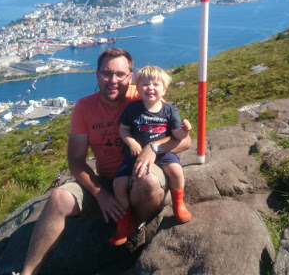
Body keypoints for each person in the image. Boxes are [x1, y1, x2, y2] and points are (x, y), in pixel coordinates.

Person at [20, 48, 191, 275]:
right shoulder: (84, 107)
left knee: (146, 180)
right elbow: (76, 160)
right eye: (106, 73)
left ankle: (135, 226)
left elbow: (185, 141)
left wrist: (153, 147)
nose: (113, 80)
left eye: (120, 74)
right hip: (108, 182)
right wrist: (101, 195)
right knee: (58, 197)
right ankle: (27, 272)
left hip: (145, 177)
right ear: (97, 75)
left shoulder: (142, 95)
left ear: (131, 77)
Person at [110, 65, 192, 246]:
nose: (150, 88)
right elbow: (123, 130)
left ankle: (179, 204)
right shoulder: (132, 109)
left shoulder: (170, 110)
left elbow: (178, 136)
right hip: (134, 155)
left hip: (163, 152)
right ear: (138, 89)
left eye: (156, 84)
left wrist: (185, 130)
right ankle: (125, 223)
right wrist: (131, 142)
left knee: (176, 170)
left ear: (164, 89)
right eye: (145, 84)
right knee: (118, 184)